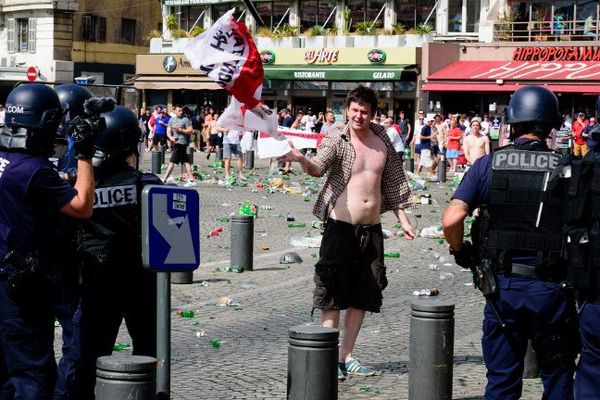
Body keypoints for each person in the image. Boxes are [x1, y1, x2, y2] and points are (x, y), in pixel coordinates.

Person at [442, 86, 578, 400]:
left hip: (503, 288)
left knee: (502, 382)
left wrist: (461, 250)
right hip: (552, 290)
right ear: (551, 125)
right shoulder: (567, 168)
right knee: (558, 379)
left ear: (511, 123)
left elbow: (451, 219)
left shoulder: (487, 166)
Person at [281, 85, 416, 381]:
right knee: (332, 290)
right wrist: (302, 159)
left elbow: (393, 183)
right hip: (340, 226)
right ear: (348, 110)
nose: (359, 116)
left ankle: (347, 356)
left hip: (372, 229)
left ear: (373, 113)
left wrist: (403, 219)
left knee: (363, 292)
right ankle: (329, 357)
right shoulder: (337, 137)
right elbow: (318, 168)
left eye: (364, 111)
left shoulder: (381, 140)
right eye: (354, 110)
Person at [0, 83, 95, 399]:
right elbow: (82, 206)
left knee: (7, 370)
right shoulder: (34, 169)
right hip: (22, 283)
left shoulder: (7, 162)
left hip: (4, 275)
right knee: (33, 373)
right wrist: (83, 153)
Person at [72, 106, 162, 399]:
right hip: (142, 280)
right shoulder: (147, 184)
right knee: (149, 350)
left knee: (90, 356)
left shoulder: (80, 185)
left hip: (97, 280)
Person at [162, 104, 196, 186]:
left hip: (181, 142)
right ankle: (191, 179)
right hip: (175, 142)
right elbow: (168, 131)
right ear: (175, 111)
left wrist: (180, 129)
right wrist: (170, 137)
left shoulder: (185, 119)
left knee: (172, 161)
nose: (181, 112)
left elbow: (191, 130)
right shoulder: (171, 120)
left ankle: (165, 178)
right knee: (186, 160)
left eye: (182, 111)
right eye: (179, 111)